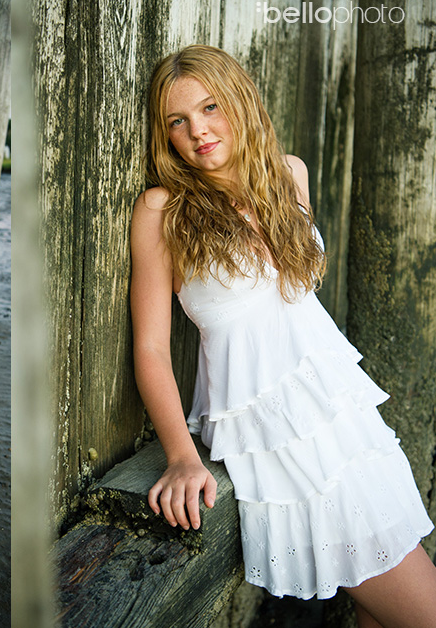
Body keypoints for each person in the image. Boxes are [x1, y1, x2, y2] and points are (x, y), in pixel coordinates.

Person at [131, 45, 436, 627]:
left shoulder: (289, 174)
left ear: (240, 100)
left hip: (343, 417)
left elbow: (293, 299)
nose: (198, 131)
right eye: (178, 121)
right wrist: (180, 457)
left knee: (383, 610)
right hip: (274, 434)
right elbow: (150, 347)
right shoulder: (163, 211)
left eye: (210, 107)